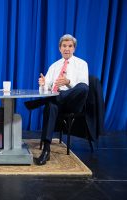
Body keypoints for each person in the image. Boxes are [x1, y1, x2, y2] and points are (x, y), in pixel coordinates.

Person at [25, 34, 89, 165]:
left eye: (70, 46)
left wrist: (68, 82)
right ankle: (46, 151)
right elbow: (46, 89)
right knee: (51, 103)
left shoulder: (82, 64)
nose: (67, 49)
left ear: (74, 49)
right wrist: (43, 84)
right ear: (60, 48)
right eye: (64, 46)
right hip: (57, 102)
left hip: (73, 103)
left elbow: (84, 86)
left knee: (83, 87)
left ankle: (51, 99)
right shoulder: (54, 66)